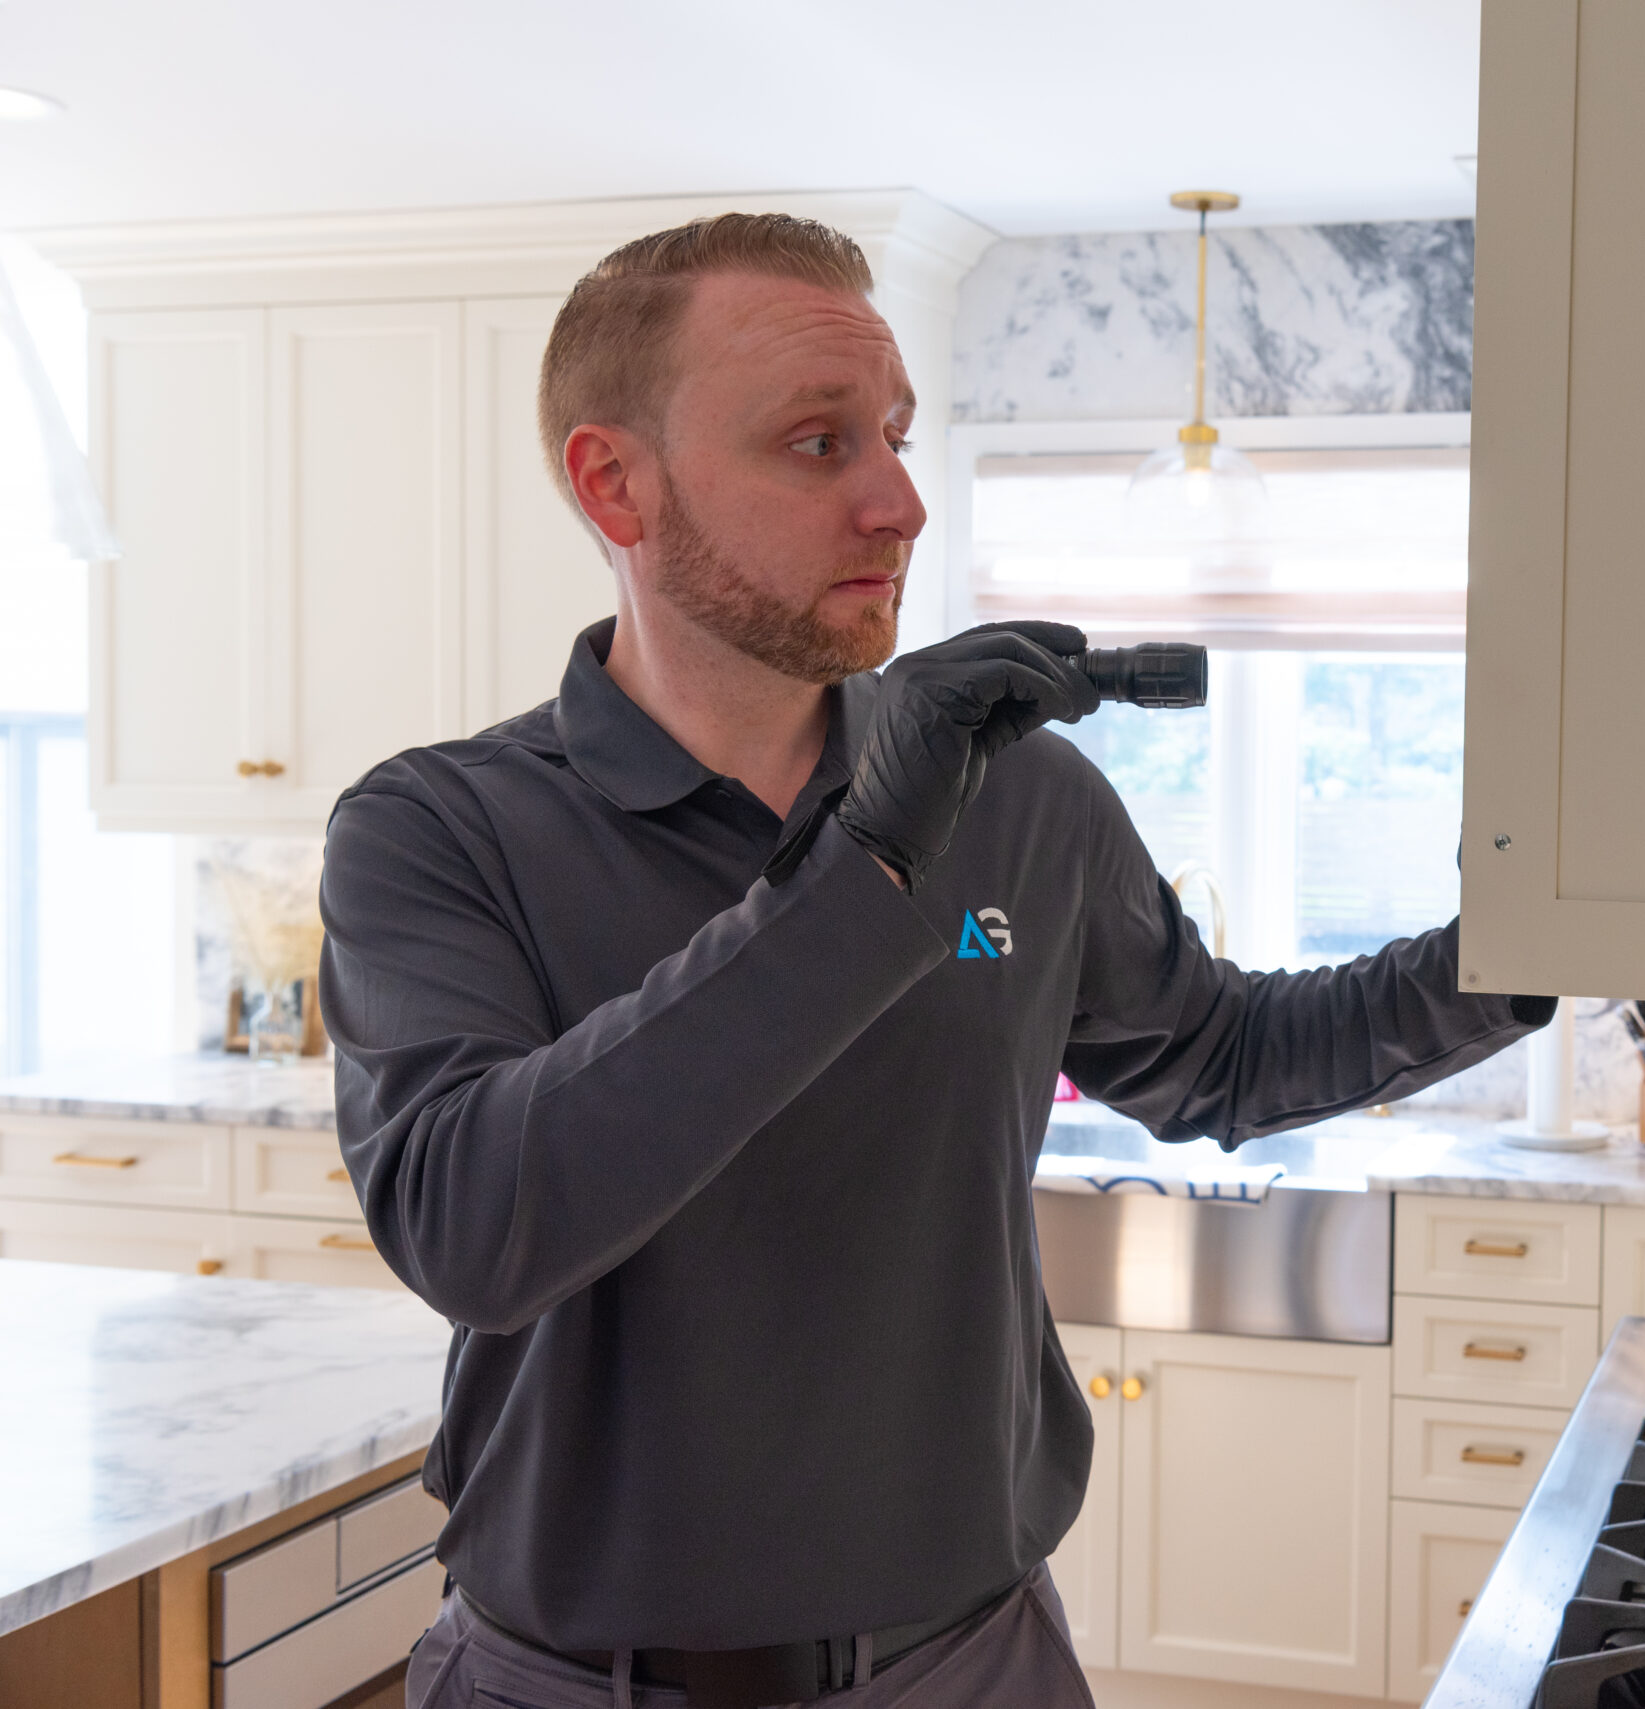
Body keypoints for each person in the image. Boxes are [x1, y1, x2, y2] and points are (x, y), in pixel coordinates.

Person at [319, 213, 1551, 1709]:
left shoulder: (1016, 801)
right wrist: (867, 878)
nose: (899, 503)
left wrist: (1546, 932)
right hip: (574, 1683)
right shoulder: (439, 830)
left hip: (976, 1668)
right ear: (615, 483)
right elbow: (473, 1225)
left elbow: (1223, 1054)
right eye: (820, 442)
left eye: (895, 437)